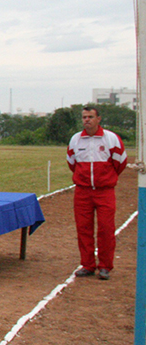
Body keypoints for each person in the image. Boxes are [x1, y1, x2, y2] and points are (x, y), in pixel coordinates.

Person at [67, 106, 127, 280]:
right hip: (82, 192)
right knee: (83, 228)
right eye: (84, 117)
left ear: (98, 118)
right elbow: (72, 163)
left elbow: (120, 163)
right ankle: (87, 264)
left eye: (91, 116)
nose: (87, 120)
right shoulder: (76, 140)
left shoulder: (111, 139)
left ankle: (105, 266)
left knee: (106, 228)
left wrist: (105, 179)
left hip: (104, 192)